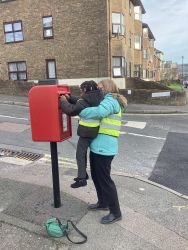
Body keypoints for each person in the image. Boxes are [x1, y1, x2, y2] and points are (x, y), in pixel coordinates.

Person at [79, 79, 127, 224]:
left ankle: (116, 212)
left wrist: (80, 110)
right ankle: (103, 203)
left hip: (104, 148)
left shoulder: (111, 100)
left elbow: (99, 112)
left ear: (107, 88)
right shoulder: (106, 99)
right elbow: (91, 103)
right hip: (98, 147)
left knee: (105, 180)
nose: (98, 90)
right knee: (97, 176)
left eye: (100, 88)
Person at [60, 80, 103, 188]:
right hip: (94, 130)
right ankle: (83, 174)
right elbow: (80, 100)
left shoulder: (84, 101)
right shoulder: (98, 97)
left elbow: (71, 110)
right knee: (84, 154)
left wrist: (63, 101)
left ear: (85, 90)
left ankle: (81, 179)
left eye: (81, 91)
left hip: (86, 132)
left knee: (80, 154)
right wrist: (69, 97)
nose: (80, 93)